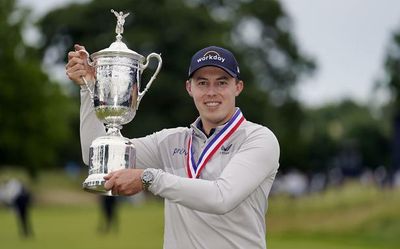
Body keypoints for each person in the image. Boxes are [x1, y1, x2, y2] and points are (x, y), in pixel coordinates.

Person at [66, 44, 280, 249]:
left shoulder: (259, 139)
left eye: (222, 82)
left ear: (238, 87)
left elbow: (222, 198)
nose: (211, 92)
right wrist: (89, 89)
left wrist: (149, 178)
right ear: (190, 88)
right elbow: (96, 157)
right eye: (202, 83)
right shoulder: (170, 141)